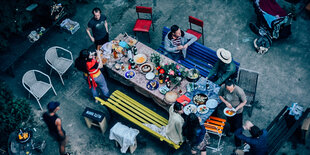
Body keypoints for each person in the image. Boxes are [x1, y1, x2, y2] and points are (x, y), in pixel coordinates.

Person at [218, 80, 247, 147]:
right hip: (228, 110)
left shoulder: (239, 91)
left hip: (238, 111)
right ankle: (231, 130)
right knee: (230, 121)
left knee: (238, 127)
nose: (230, 91)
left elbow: (244, 102)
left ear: (234, 86)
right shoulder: (223, 87)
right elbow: (220, 95)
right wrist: (226, 102)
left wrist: (236, 109)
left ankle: (238, 143)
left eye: (231, 90)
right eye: (228, 90)